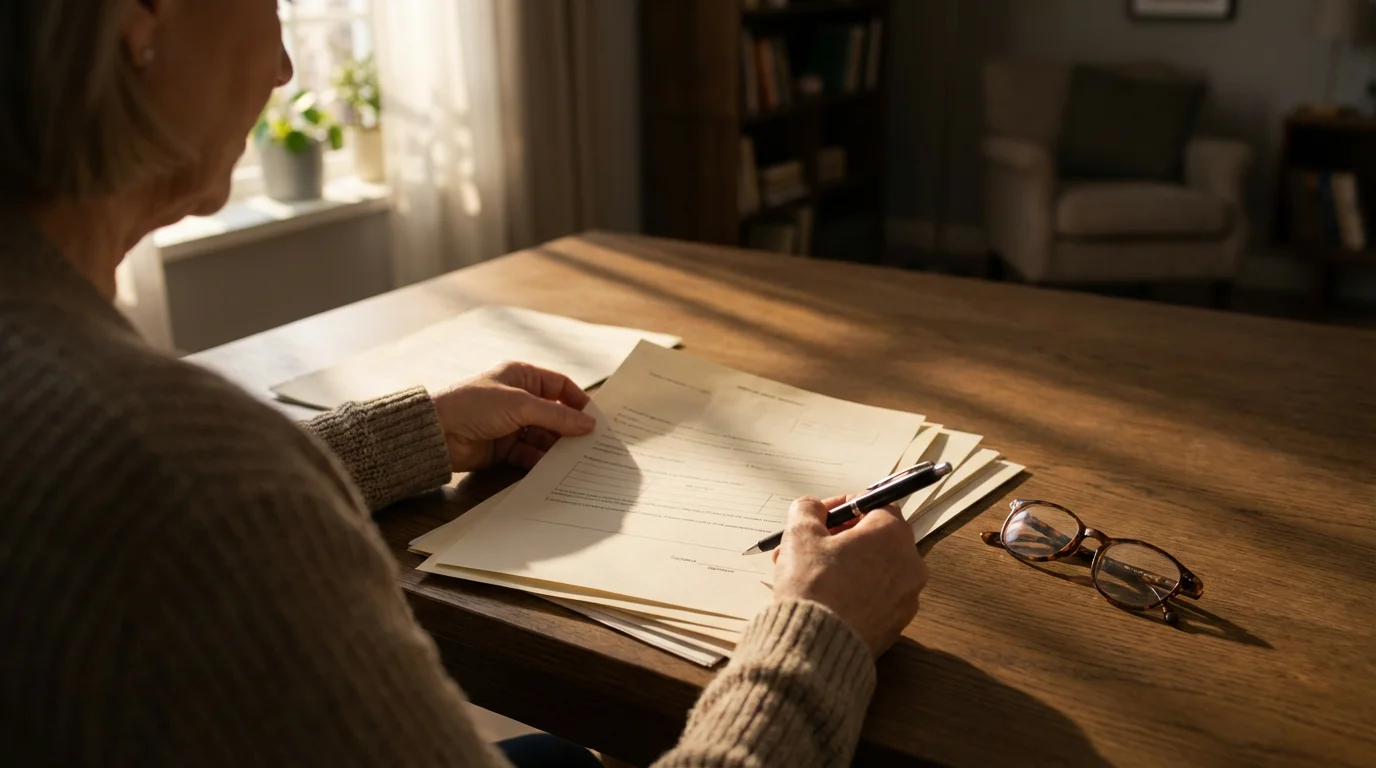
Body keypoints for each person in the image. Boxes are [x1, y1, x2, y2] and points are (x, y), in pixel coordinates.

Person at [0, 2, 929, 766]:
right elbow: (191, 504)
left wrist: (413, 434)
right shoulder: (184, 473)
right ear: (140, 18)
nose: (284, 64)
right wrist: (818, 637)